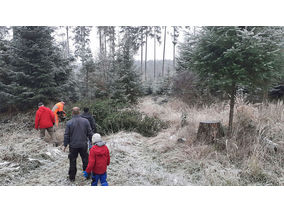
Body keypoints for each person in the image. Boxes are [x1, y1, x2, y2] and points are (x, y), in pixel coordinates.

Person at [64, 107, 93, 182]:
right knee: (85, 160)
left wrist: (65, 144)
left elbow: (66, 135)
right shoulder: (86, 121)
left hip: (73, 146)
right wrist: (92, 141)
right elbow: (90, 132)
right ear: (79, 112)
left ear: (72, 113)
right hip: (83, 144)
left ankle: (72, 178)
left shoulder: (69, 123)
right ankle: (88, 176)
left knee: (72, 161)